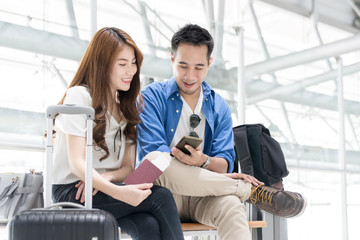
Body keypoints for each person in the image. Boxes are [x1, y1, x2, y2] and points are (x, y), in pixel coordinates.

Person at [137, 24, 305, 240]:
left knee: (232, 207)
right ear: (171, 59)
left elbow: (224, 163)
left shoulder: (219, 106)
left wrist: (202, 161)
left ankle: (237, 192)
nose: (189, 76)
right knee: (156, 159)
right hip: (157, 191)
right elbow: (153, 162)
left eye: (198, 67)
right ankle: (247, 190)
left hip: (201, 193)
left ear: (209, 64)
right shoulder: (150, 97)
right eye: (182, 66)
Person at [51, 27, 184, 240]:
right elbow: (77, 164)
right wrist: (120, 192)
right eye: (122, 64)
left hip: (104, 187)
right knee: (161, 197)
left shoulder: (126, 106)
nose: (130, 71)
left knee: (148, 225)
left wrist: (106, 177)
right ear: (102, 65)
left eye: (133, 63)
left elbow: (127, 167)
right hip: (73, 191)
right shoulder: (79, 96)